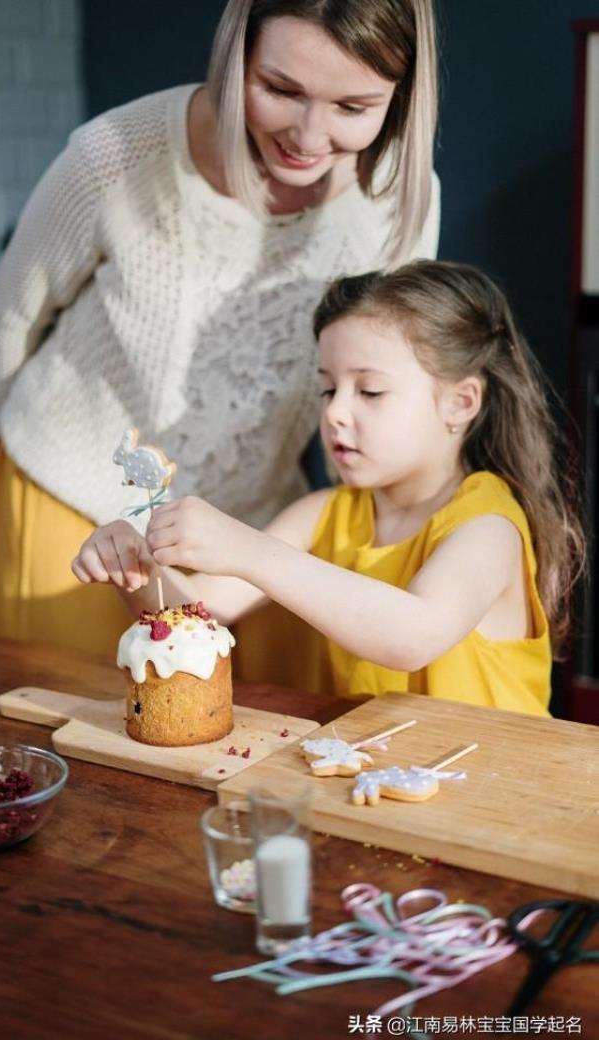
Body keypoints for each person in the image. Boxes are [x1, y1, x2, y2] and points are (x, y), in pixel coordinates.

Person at [0, 0, 440, 668]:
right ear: (236, 55)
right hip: (74, 512)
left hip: (256, 538)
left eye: (353, 108)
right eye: (280, 90)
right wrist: (17, 431)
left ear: (400, 98)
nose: (309, 136)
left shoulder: (401, 198)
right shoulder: (116, 154)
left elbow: (385, 376)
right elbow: (17, 310)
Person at [72, 260, 586, 717]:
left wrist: (247, 548)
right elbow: (201, 612)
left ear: (460, 403)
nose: (336, 412)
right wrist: (137, 566)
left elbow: (412, 636)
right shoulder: (324, 512)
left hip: (493, 793)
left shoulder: (488, 528)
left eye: (370, 390)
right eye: (328, 388)